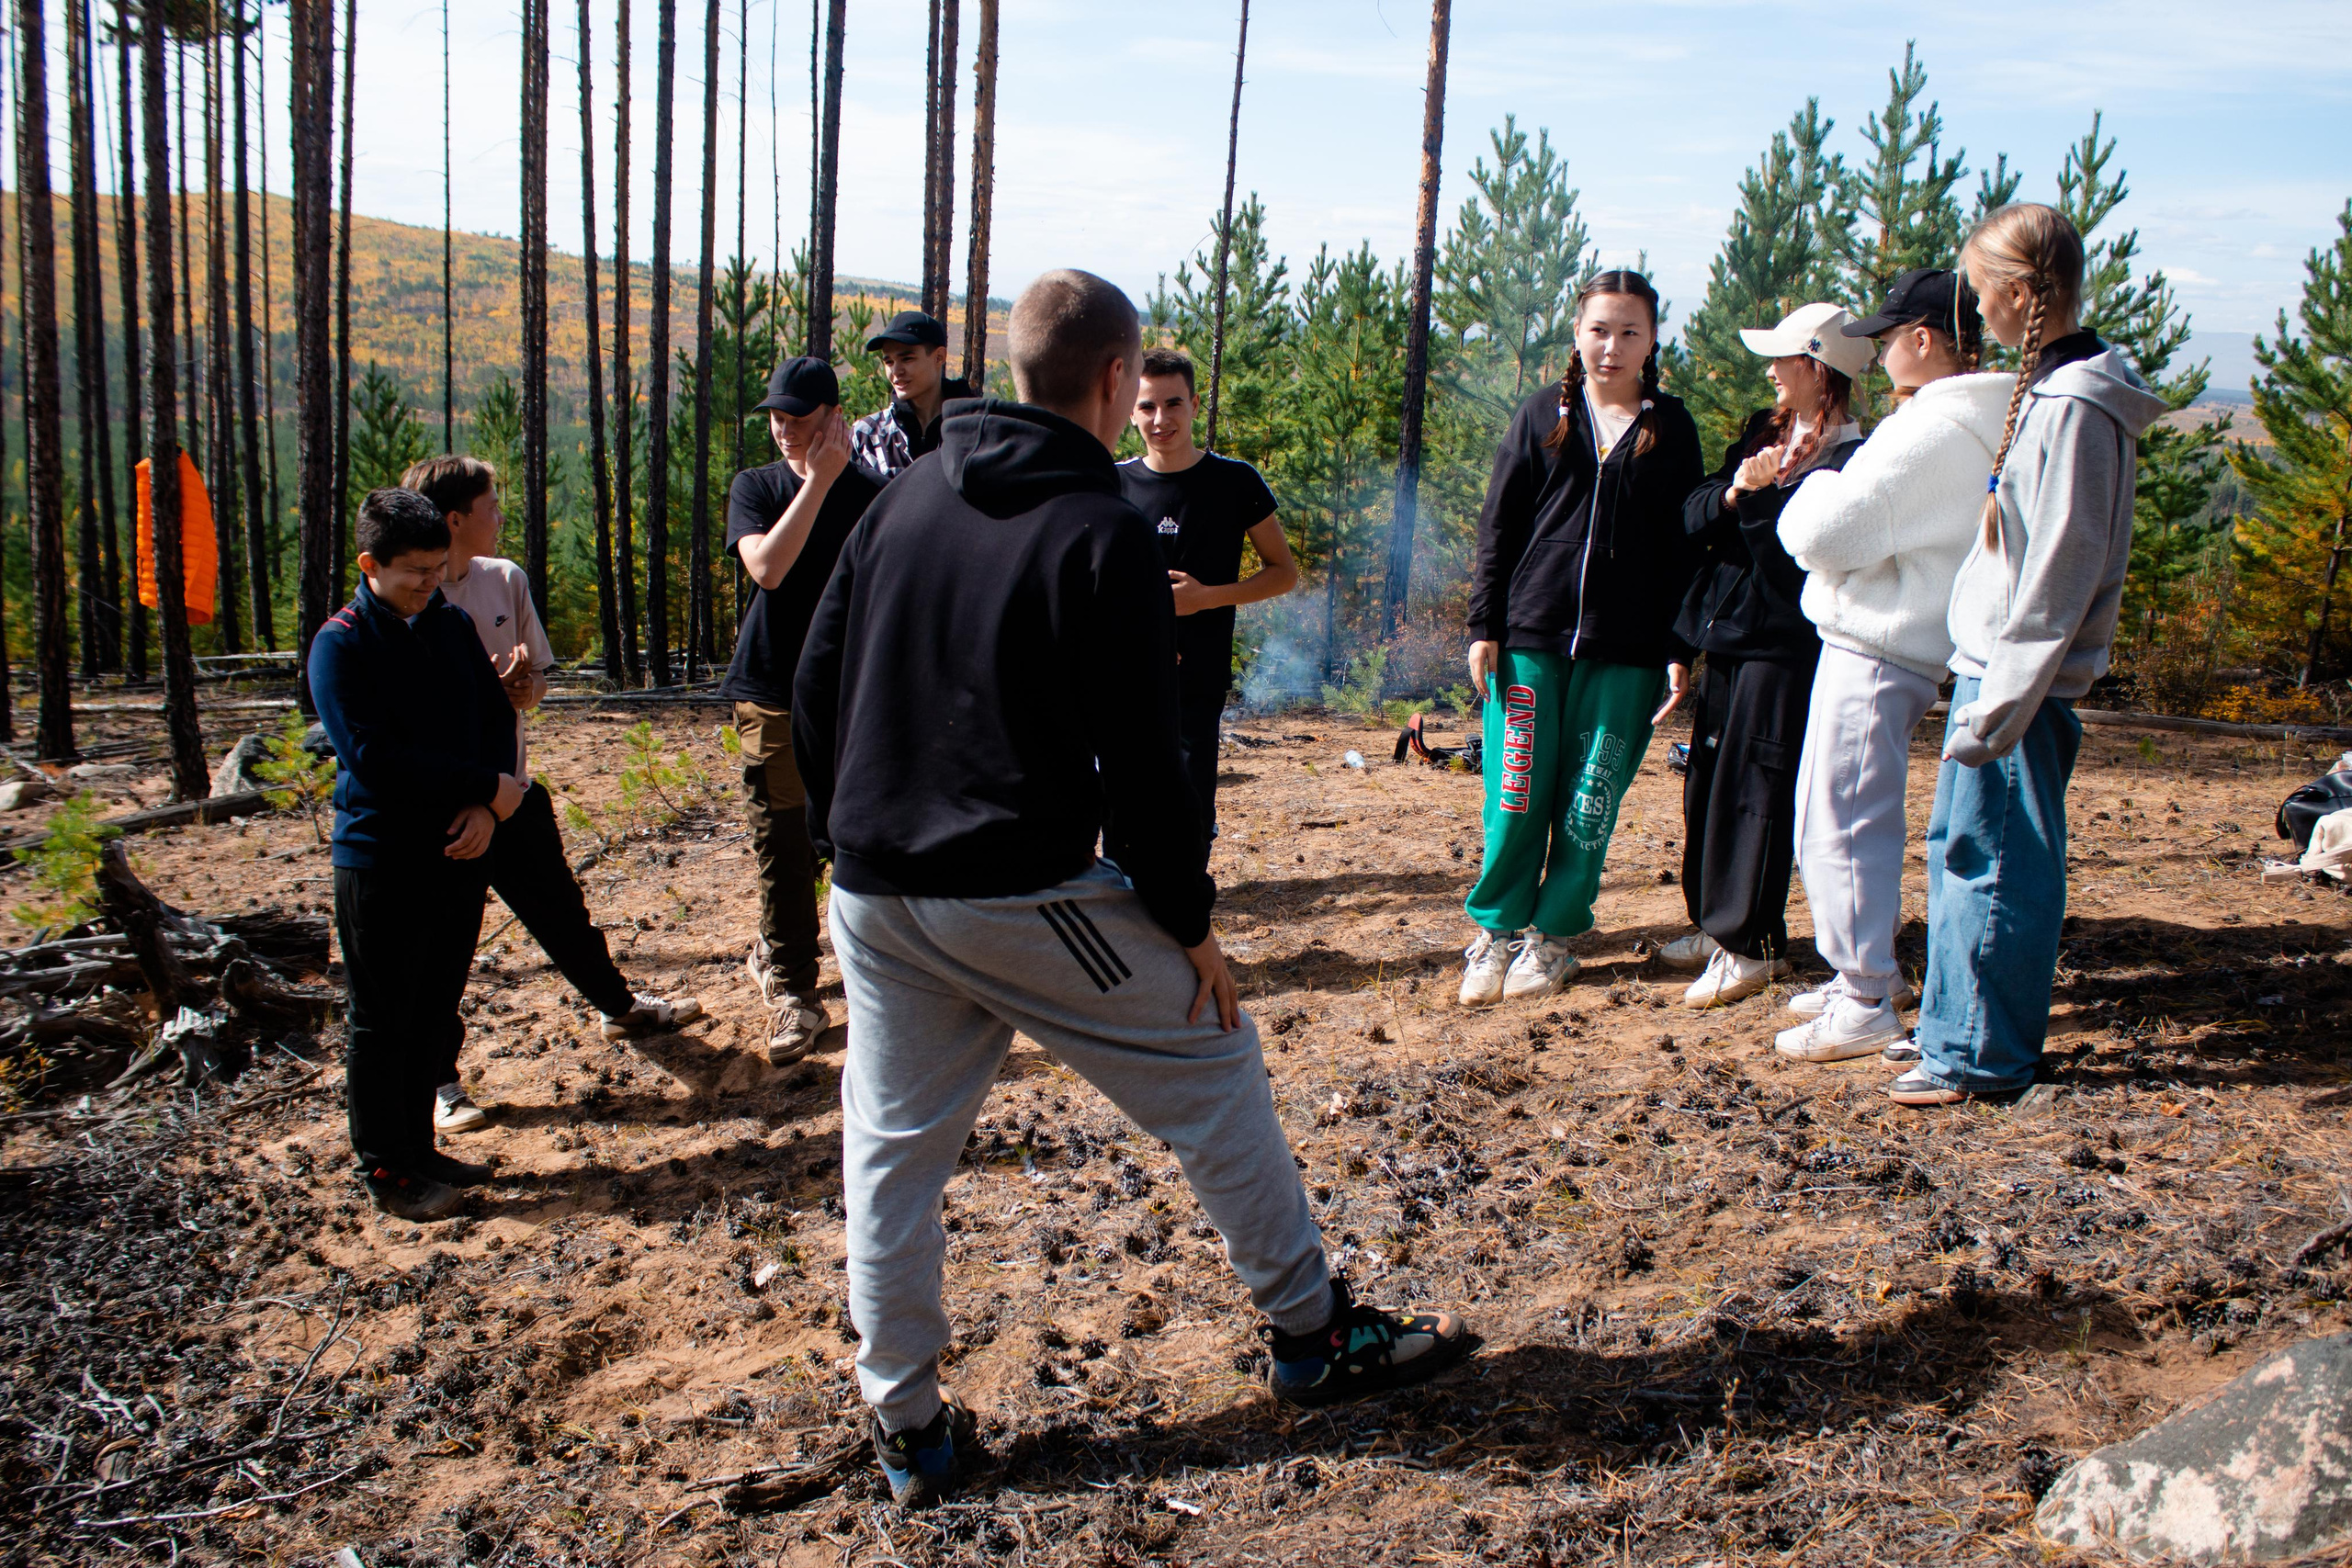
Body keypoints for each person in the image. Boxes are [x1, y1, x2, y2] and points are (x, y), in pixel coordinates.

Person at [794, 268, 1472, 1508]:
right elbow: (1147, 767)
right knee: (1214, 1059)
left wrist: (854, 831)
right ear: (1115, 380)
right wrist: (1190, 923)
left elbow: (814, 682)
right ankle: (1313, 1335)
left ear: (1010, 364)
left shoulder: (899, 500)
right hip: (1022, 892)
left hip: (876, 892)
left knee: (890, 1153)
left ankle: (905, 1424)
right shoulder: (1101, 530)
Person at [1890, 204, 2165, 1106]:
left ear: (2016, 294)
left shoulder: (2081, 408)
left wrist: (2004, 699)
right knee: (1959, 854)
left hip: (2019, 689)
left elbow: (2060, 565)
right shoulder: (2050, 392)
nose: (1975, 308)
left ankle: (1979, 1055)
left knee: (1998, 868)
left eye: (1979, 292)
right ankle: (1947, 1027)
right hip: (1991, 672)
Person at [399, 457, 704, 1134]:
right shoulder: (413, 599)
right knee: (446, 943)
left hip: (514, 792)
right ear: (455, 519)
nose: (500, 516)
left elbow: (534, 689)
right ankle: (440, 1080)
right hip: (450, 808)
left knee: (562, 912)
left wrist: (518, 687)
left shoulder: (503, 579)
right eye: (490, 505)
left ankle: (620, 1008)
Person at [1769, 272, 2009, 1064]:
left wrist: (1806, 489)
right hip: (1897, 642)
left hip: (1877, 643)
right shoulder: (1972, 421)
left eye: (1886, 337)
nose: (1876, 354)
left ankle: (1866, 991)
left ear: (1925, 338)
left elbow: (1832, 532)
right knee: (1844, 813)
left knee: (1841, 820)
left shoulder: (1931, 428)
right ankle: (1860, 976)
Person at [1458, 270, 1704, 1008]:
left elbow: (1682, 547)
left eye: (1630, 331)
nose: (1613, 346)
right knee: (1516, 791)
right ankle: (1497, 931)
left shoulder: (1671, 428)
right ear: (1577, 333)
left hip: (1626, 649)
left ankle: (1555, 937)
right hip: (1531, 635)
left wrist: (1677, 643)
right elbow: (1499, 526)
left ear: (1653, 339)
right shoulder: (1542, 414)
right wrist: (1484, 625)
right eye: (1600, 329)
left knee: (1590, 798)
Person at [309, 488, 524, 1221]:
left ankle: (419, 1148)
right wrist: (485, 787)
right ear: (370, 564)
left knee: (434, 1007)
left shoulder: (450, 624)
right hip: (380, 858)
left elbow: (494, 717)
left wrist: (486, 808)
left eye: (438, 566)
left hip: (458, 849)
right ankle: (386, 1167)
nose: (431, 581)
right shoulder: (341, 644)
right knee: (382, 1016)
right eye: (414, 571)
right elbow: (372, 756)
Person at [1659, 303, 1874, 1010]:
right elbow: (1693, 517)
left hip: (1784, 650)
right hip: (1728, 640)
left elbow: (1792, 572)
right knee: (1708, 787)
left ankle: (1750, 945)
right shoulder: (1765, 432)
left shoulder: (1851, 459)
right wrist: (1734, 493)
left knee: (1755, 793)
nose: (1772, 371)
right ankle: (1714, 924)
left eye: (1784, 359)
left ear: (1818, 367)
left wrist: (1752, 505)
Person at [723, 357, 885, 1065]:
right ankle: (793, 987)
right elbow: (768, 568)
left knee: (851, 838)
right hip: (772, 691)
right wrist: (816, 482)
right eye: (776, 418)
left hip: (852, 693)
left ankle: (870, 970)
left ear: (832, 417)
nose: (784, 429)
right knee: (785, 842)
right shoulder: (757, 488)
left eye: (798, 416)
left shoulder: (878, 496)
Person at [1117, 346, 1299, 836]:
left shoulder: (1235, 482)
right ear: (1130, 411)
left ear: (1196, 404)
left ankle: (1184, 898)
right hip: (1126, 675)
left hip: (1200, 673)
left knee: (1191, 802)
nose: (1160, 419)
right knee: (1125, 801)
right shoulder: (1113, 484)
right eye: (1147, 407)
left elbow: (1283, 572)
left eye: (1173, 404)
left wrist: (1206, 598)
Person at [848, 310, 975, 480]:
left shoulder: (974, 429)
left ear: (939, 357)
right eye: (889, 362)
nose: (896, 371)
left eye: (907, 359)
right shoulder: (866, 435)